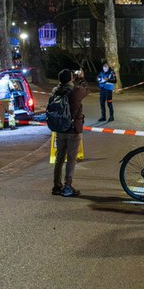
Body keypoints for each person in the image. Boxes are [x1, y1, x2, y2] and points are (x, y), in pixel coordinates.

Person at [52, 68, 90, 197]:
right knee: (71, 159)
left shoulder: (55, 91)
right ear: (70, 79)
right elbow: (87, 90)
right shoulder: (75, 91)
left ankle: (56, 186)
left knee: (59, 158)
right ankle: (68, 186)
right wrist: (82, 78)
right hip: (73, 129)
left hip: (60, 128)